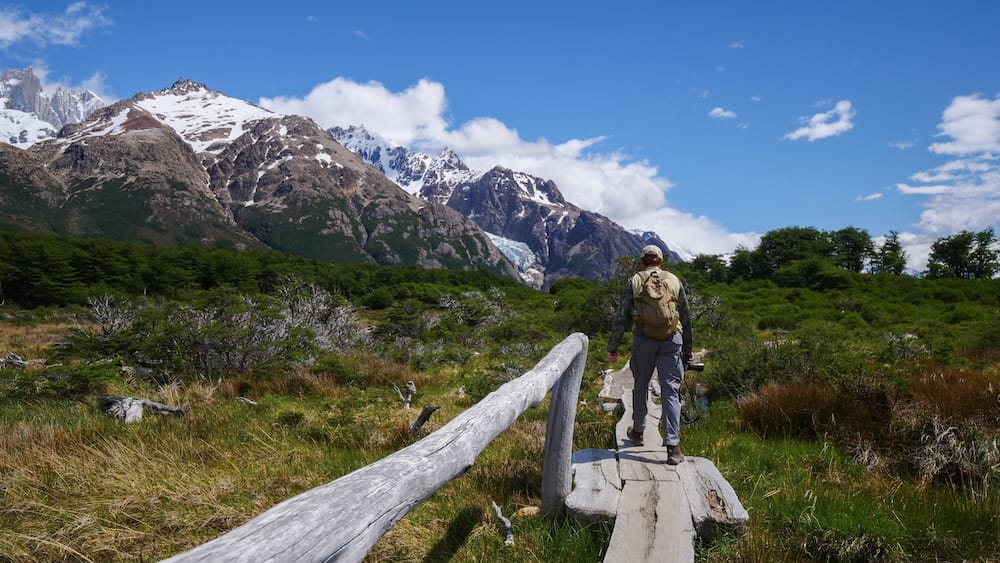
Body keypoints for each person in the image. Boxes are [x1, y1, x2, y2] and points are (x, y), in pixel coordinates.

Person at [607, 244, 693, 465]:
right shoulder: (673, 280)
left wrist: (613, 346)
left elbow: (622, 316)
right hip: (672, 338)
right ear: (661, 261)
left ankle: (638, 432)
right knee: (670, 392)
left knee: (641, 385)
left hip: (644, 339)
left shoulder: (635, 280)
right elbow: (686, 315)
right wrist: (688, 348)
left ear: (643, 261)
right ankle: (673, 447)